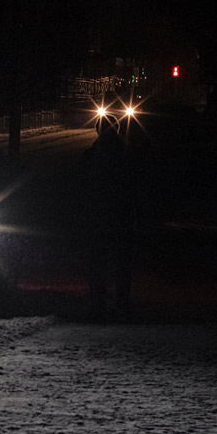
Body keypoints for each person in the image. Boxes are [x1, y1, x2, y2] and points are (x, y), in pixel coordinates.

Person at [73, 120, 139, 321]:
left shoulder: (90, 156)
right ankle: (122, 305)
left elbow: (78, 187)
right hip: (121, 216)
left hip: (97, 216)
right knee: (122, 264)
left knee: (96, 263)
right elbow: (136, 187)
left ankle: (98, 304)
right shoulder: (127, 156)